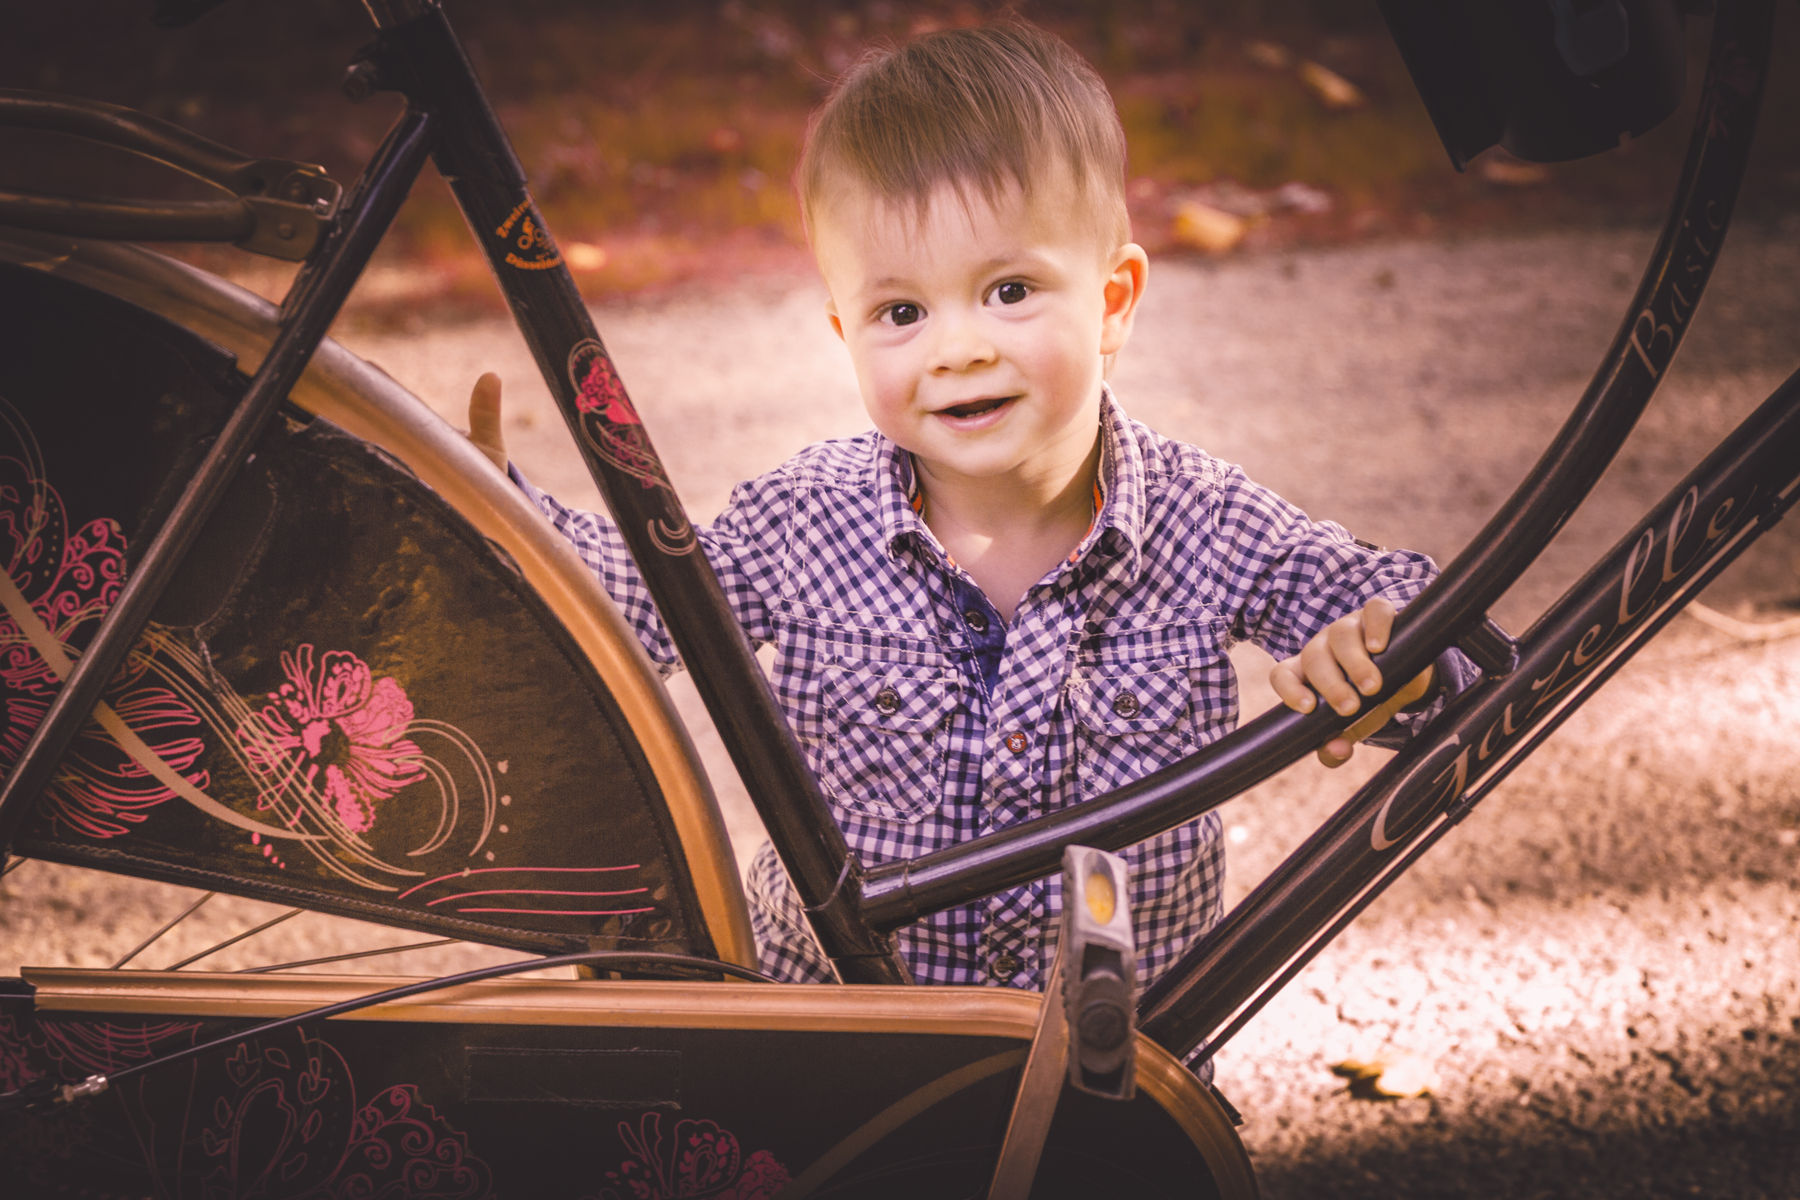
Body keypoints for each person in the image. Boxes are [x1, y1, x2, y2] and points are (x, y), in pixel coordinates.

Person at [467, 19, 1472, 999]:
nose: (958, 349)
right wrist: (489, 519)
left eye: (1010, 291)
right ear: (847, 334)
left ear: (1113, 301)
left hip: (1116, 1055)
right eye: (902, 312)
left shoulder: (1203, 522)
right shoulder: (804, 522)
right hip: (840, 1037)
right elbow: (640, 610)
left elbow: (1427, 624)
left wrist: (1393, 654)